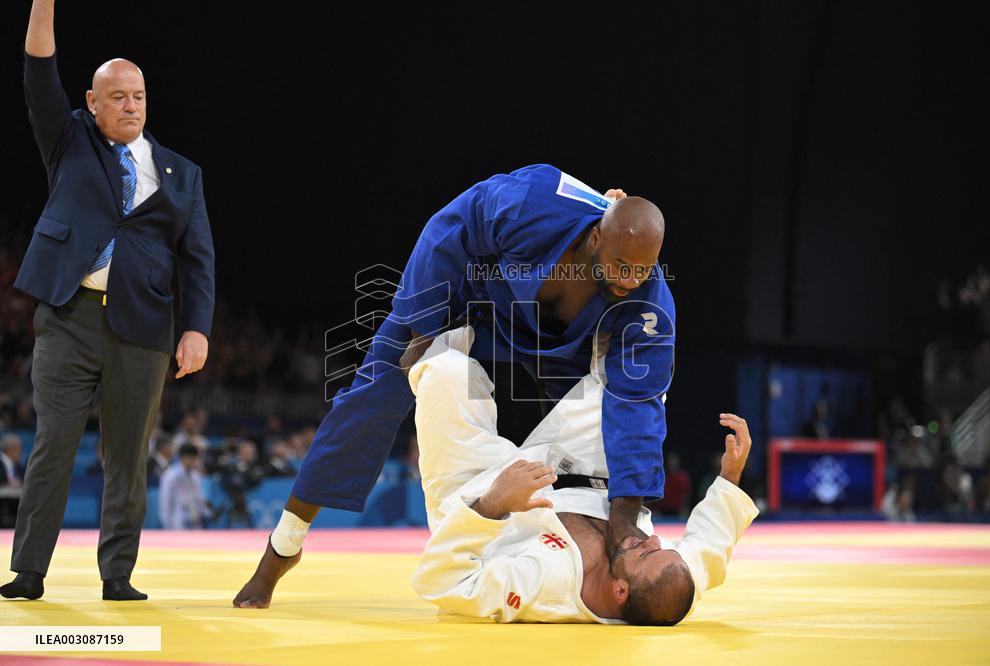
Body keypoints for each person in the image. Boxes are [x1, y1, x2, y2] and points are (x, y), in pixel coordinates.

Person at [235, 165, 673, 609]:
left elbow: (638, 403)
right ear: (596, 238)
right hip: (475, 301)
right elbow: (449, 227)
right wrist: (422, 327)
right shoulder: (535, 200)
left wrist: (625, 517)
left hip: (561, 348)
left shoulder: (649, 301)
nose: (630, 280)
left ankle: (556, 525)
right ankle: (283, 547)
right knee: (372, 395)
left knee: (630, 400)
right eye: (621, 266)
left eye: (642, 270)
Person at [2, 0, 215, 602]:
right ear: (92, 103)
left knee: (128, 455)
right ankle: (29, 571)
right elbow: (38, 68)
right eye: (117, 96)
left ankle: (117, 575)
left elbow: (198, 259)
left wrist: (196, 328)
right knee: (54, 444)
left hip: (143, 328)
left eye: (138, 96)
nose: (130, 105)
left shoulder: (183, 174)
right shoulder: (68, 140)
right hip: (68, 318)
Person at [407, 326, 756, 623]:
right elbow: (709, 548)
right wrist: (730, 476)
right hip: (578, 466)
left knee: (446, 371)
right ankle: (596, 317)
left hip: (481, 488)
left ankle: (434, 338)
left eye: (647, 552)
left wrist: (492, 504)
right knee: (642, 376)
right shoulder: (667, 580)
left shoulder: (545, 588)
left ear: (620, 592)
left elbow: (442, 582)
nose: (654, 541)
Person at [158, 443, 211, 530]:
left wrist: (208, 513)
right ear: (184, 457)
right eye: (192, 458)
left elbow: (199, 499)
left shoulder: (195, 476)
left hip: (195, 522)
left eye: (195, 459)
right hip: (176, 523)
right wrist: (166, 526)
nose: (194, 462)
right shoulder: (170, 475)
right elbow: (165, 502)